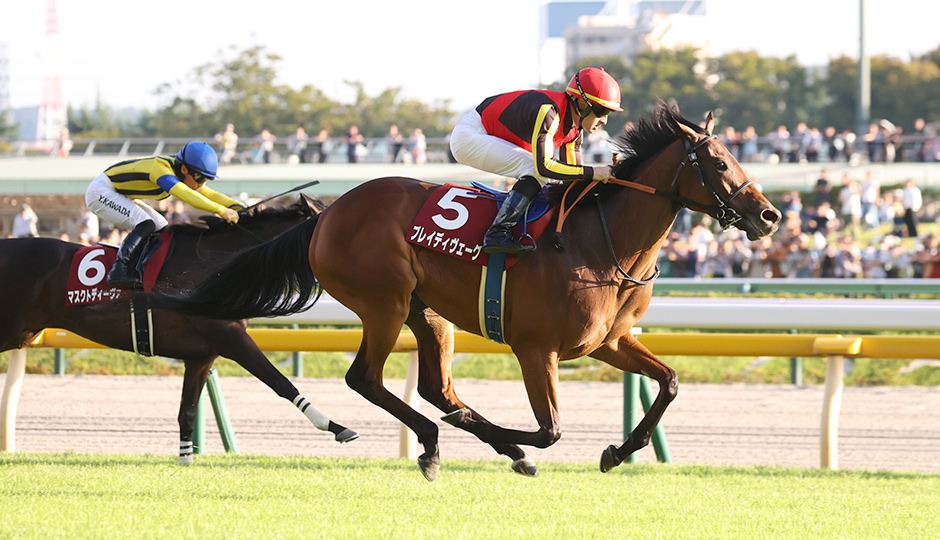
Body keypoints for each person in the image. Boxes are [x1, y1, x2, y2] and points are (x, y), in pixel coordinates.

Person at [449, 66, 620, 256]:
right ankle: (497, 233)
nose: (604, 120)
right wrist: (594, 172)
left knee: (553, 177)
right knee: (535, 169)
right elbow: (544, 167)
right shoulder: (549, 111)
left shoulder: (574, 132)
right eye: (602, 111)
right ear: (581, 103)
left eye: (609, 113)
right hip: (470, 135)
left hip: (488, 135)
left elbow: (572, 180)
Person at [85, 141, 243, 288]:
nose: (201, 184)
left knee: (162, 227)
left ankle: (140, 268)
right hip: (100, 192)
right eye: (199, 177)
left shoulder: (184, 173)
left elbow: (211, 194)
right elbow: (187, 195)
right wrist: (221, 211)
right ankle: (118, 270)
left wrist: (236, 206)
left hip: (118, 193)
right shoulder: (162, 171)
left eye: (206, 179)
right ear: (184, 169)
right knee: (146, 224)